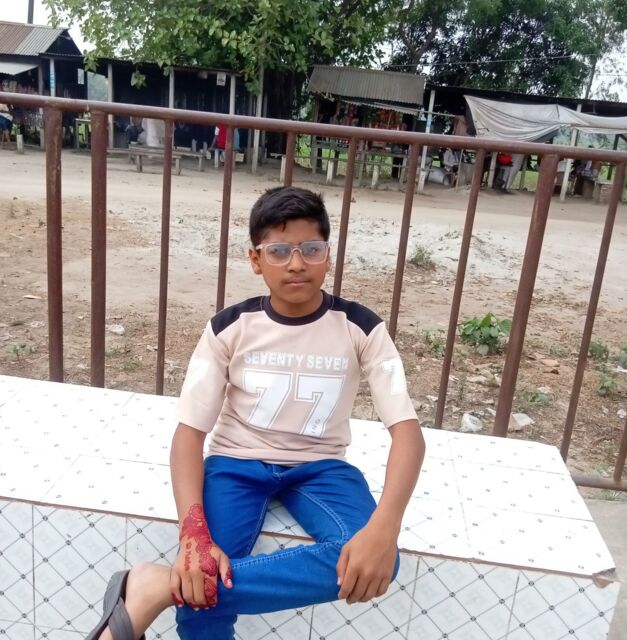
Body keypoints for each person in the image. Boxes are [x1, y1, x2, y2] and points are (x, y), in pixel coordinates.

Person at [87, 186, 425, 640]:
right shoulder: (230, 328)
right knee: (200, 575)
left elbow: (408, 433)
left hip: (321, 466)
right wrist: (192, 532)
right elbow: (189, 434)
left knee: (373, 557)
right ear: (255, 259)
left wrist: (386, 526)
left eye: (311, 249)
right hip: (236, 464)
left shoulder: (360, 326)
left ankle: (157, 586)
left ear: (328, 255)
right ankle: (178, 584)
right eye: (279, 251)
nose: (297, 263)